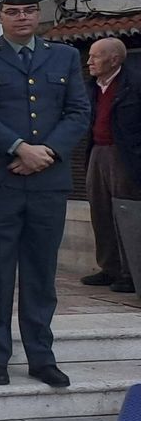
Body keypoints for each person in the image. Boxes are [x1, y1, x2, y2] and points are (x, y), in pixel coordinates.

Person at [0, 0, 91, 388]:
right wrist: (18, 147)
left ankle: (41, 355)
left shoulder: (64, 57)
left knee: (41, 271)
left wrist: (45, 152)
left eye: (29, 11)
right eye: (13, 12)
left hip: (48, 180)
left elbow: (78, 112)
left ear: (39, 15)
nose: (22, 18)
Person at [82, 38, 139, 294]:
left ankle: (131, 272)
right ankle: (109, 267)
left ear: (114, 59)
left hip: (124, 154)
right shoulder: (91, 87)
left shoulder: (134, 84)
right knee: (100, 211)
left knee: (124, 212)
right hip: (97, 150)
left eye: (95, 56)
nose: (89, 61)